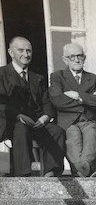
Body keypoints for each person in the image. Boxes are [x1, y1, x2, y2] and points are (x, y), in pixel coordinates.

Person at [0, 37, 65, 176]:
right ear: (11, 53)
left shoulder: (37, 78)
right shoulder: (1, 74)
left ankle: (51, 173)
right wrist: (18, 115)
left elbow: (47, 102)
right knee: (21, 128)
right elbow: (1, 104)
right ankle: (24, 175)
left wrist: (45, 118)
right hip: (10, 122)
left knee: (56, 131)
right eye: (21, 50)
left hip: (35, 122)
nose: (26, 54)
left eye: (29, 51)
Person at [49, 43, 96, 177]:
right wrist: (89, 99)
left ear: (84, 57)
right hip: (68, 122)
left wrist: (79, 96)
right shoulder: (57, 76)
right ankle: (85, 170)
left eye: (79, 55)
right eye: (71, 57)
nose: (76, 59)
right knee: (73, 137)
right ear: (64, 60)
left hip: (90, 120)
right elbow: (57, 100)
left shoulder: (93, 78)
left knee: (92, 131)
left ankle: (82, 169)